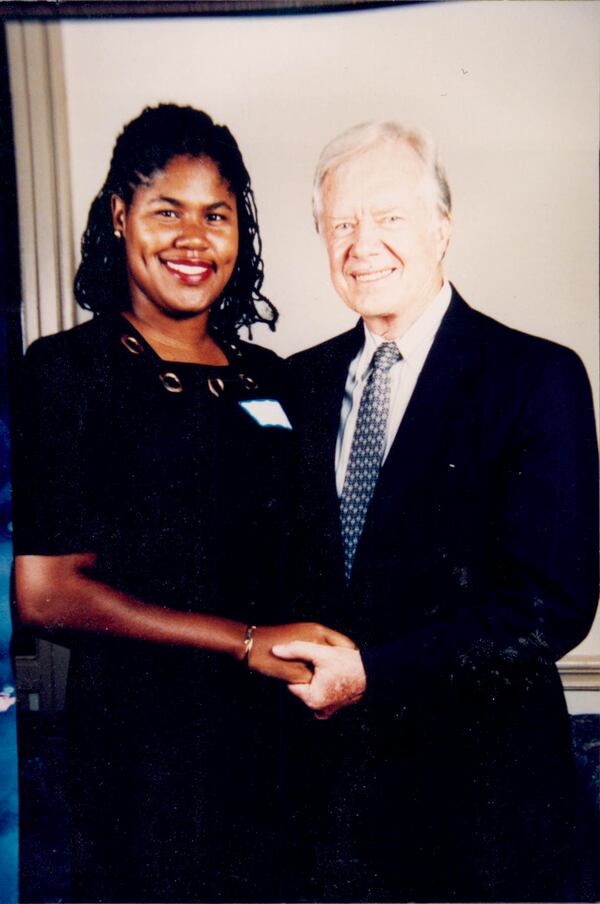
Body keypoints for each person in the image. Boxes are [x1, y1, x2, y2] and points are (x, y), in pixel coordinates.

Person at [11, 103, 354, 904]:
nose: (193, 239)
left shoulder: (273, 378)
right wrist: (244, 641)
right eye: (168, 211)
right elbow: (46, 591)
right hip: (146, 758)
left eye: (217, 215)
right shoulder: (69, 371)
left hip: (281, 746)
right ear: (120, 216)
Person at [275, 121, 599, 902]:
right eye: (342, 224)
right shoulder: (297, 385)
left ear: (442, 228)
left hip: (483, 813)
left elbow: (549, 607)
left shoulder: (536, 377)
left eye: (389, 218)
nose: (363, 245)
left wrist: (372, 674)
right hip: (329, 810)